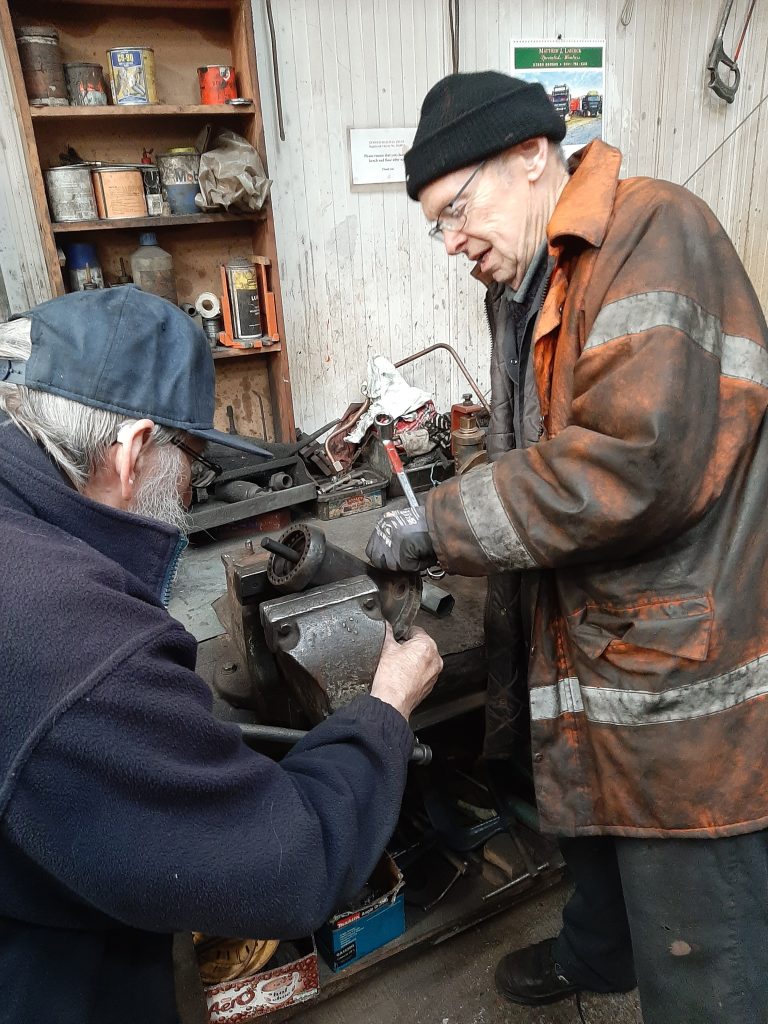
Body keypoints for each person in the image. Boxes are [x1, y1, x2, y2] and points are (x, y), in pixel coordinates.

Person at [366, 71, 768, 1024]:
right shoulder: (532, 278)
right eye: (436, 224)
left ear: (532, 156)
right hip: (589, 640)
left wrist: (439, 524)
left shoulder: (654, 231)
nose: (451, 240)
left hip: (679, 667)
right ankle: (599, 957)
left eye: (456, 208)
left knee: (698, 927)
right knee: (591, 831)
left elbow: (636, 465)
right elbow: (532, 444)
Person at [0, 286, 442, 1024]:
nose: (191, 487)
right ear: (134, 448)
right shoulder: (79, 647)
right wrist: (388, 707)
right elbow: (292, 860)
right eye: (193, 459)